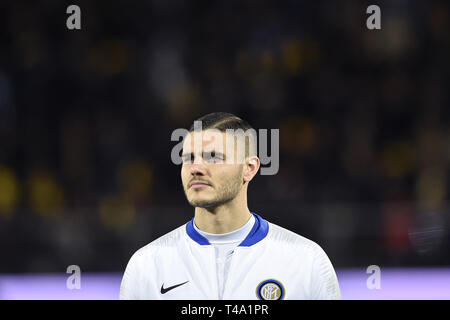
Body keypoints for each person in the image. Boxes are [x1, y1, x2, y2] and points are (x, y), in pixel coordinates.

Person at [119, 112, 341, 300]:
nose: (196, 168)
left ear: (250, 168)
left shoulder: (306, 262)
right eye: (188, 158)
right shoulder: (147, 266)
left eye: (213, 157)